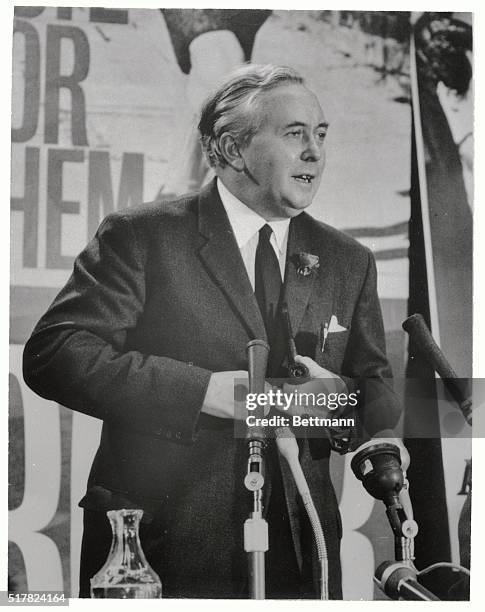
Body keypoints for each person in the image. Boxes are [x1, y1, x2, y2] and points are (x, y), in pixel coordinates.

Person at [23, 64, 401, 599]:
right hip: (162, 546)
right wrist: (210, 393)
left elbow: (375, 399)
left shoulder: (348, 260)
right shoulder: (143, 236)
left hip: (302, 553)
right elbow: (55, 354)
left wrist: (335, 402)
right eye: (295, 134)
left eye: (320, 135)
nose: (315, 153)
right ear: (230, 148)